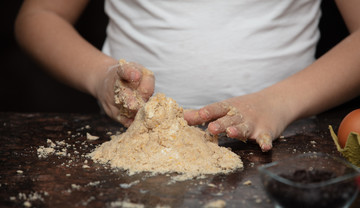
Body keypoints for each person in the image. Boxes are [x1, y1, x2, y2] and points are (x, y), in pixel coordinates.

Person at [14, 0, 360, 152]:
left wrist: (277, 104)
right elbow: (40, 14)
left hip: (284, 147)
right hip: (129, 138)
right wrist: (99, 77)